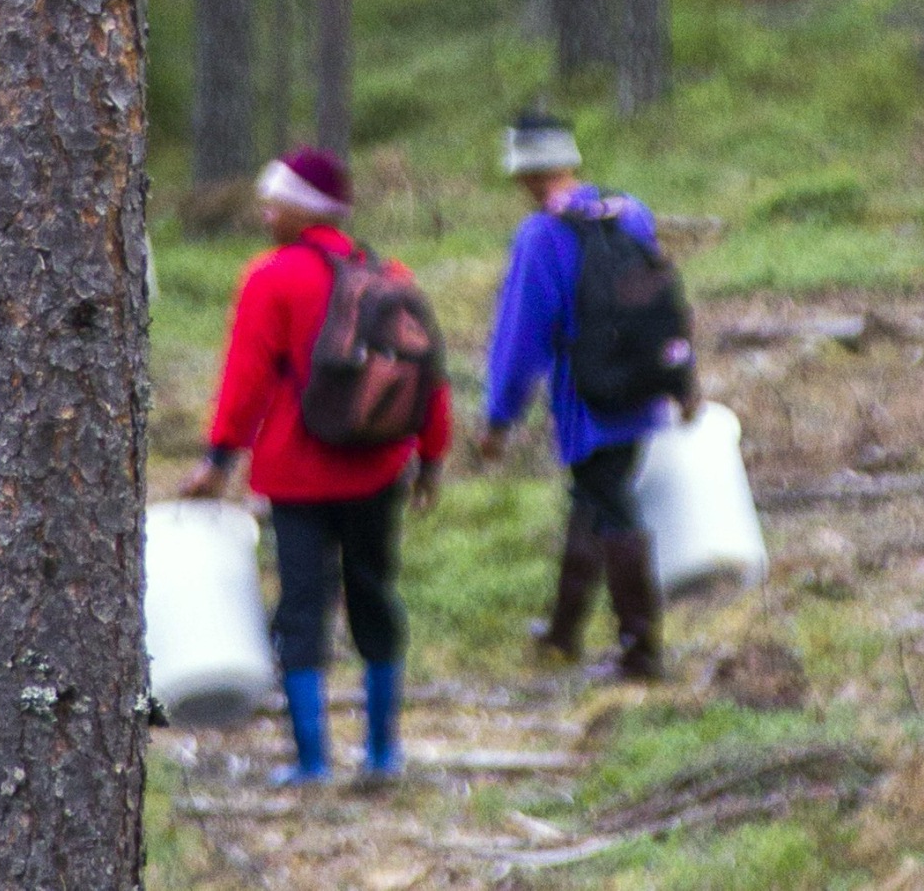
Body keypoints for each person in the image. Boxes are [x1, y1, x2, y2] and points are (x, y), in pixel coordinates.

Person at [182, 148, 450, 786]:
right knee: (374, 600)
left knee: (303, 608)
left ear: (306, 208)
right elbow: (427, 376)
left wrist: (218, 461)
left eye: (275, 199)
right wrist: (432, 457)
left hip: (297, 478)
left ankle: (311, 763)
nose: (264, 209)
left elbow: (244, 382)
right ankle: (383, 754)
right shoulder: (390, 274)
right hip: (378, 470)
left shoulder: (270, 278)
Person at [475, 113, 690, 680]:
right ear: (569, 161)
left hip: (589, 401)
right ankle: (563, 633)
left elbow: (521, 337)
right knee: (594, 499)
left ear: (523, 175)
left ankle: (641, 651)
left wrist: (499, 417)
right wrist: (683, 382)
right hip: (643, 390)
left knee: (609, 505)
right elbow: (664, 300)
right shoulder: (630, 212)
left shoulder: (541, 236)